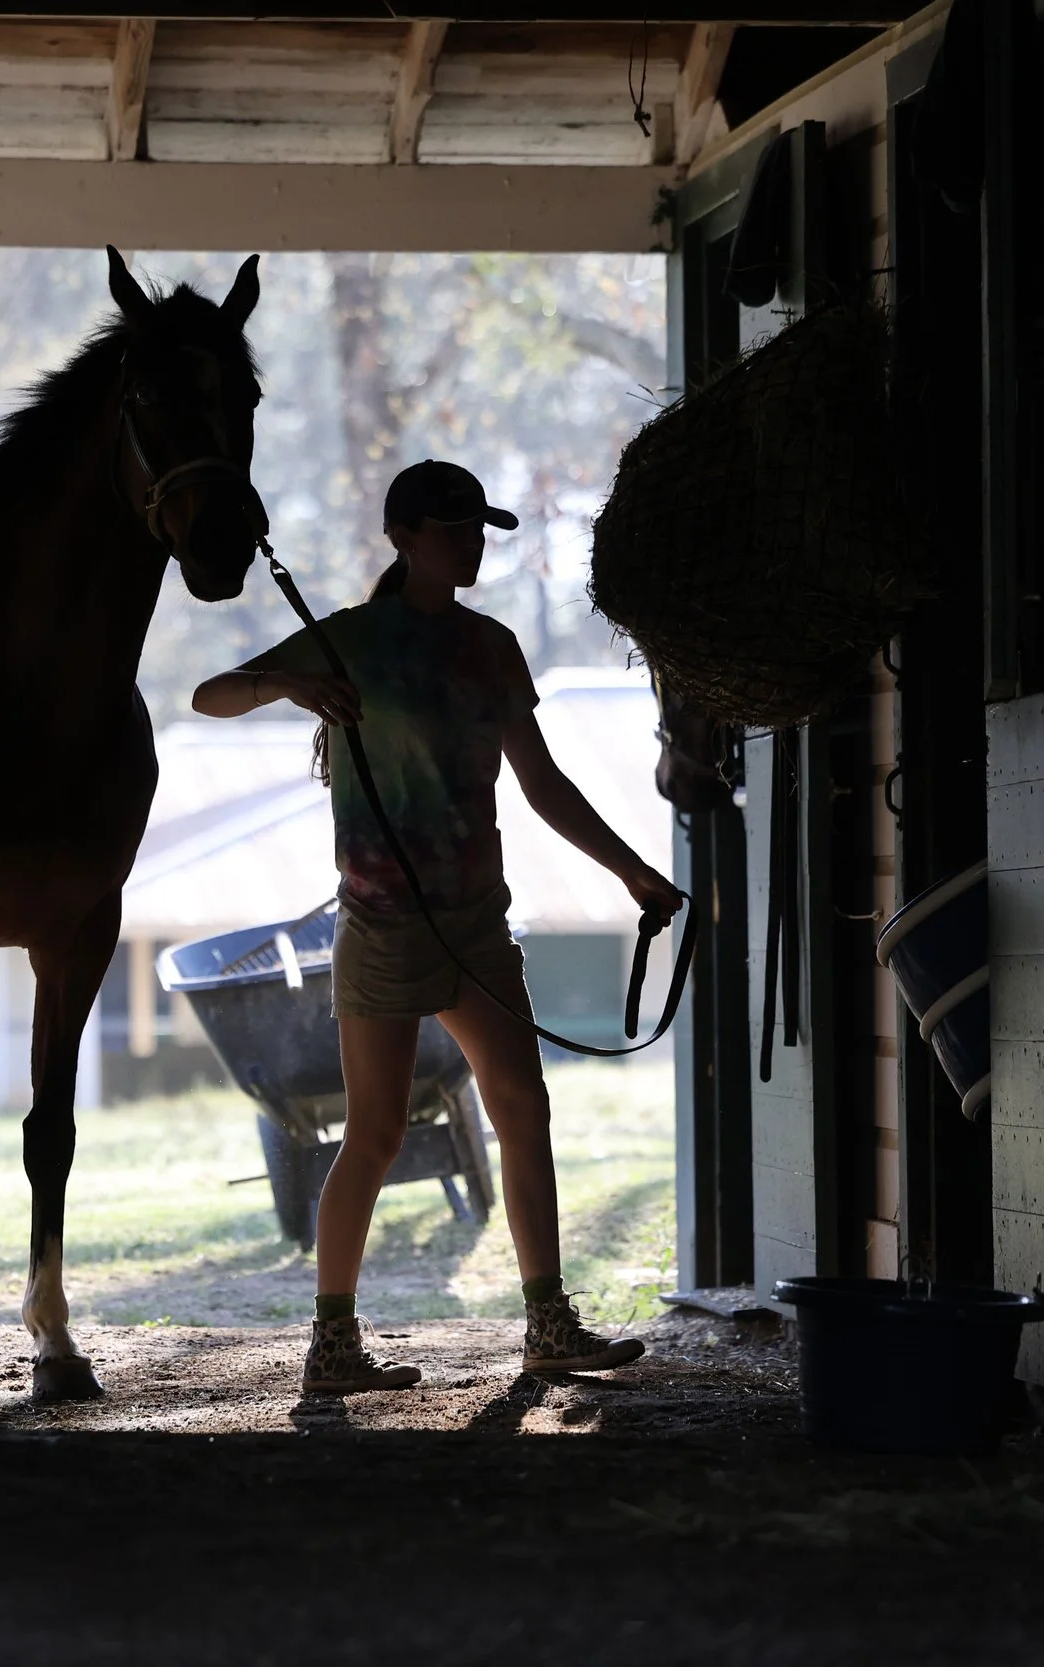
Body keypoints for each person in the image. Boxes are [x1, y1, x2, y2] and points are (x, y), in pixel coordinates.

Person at [192, 459, 688, 1394]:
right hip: (380, 927)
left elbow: (541, 786)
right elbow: (208, 695)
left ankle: (548, 1321)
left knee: (522, 1107)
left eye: (480, 526)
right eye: (455, 527)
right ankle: (333, 1345)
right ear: (405, 538)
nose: (473, 542)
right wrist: (289, 686)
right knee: (374, 1132)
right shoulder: (343, 641)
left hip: (475, 927)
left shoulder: (492, 647)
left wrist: (633, 872)